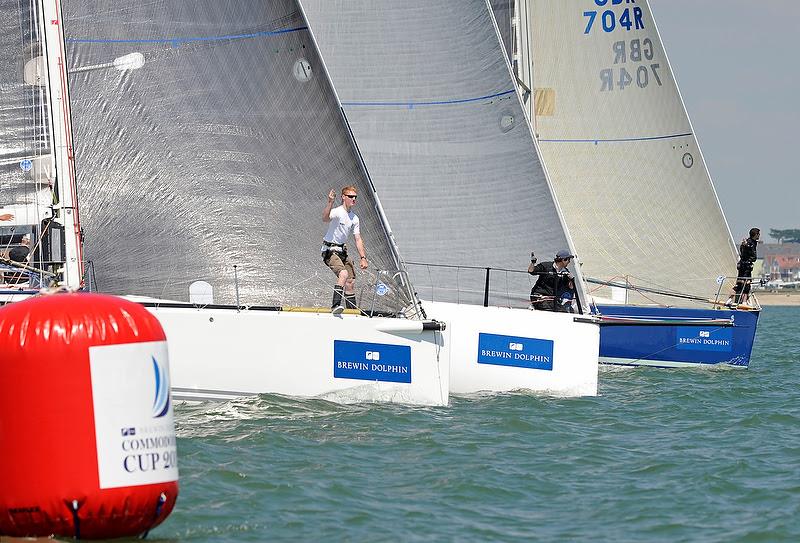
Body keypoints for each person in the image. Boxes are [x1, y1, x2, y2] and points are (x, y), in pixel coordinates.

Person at [322, 185, 368, 314]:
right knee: (343, 274)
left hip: (342, 251)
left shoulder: (354, 218)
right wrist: (330, 202)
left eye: (355, 197)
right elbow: (325, 219)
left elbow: (358, 239)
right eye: (350, 196)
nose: (353, 199)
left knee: (350, 282)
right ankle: (335, 306)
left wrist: (363, 257)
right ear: (343, 197)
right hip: (330, 250)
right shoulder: (337, 212)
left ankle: (352, 312)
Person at [731, 227, 759, 304]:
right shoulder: (750, 242)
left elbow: (743, 249)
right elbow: (748, 249)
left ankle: (730, 300)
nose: (759, 236)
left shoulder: (751, 242)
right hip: (746, 266)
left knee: (739, 285)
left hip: (743, 265)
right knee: (746, 285)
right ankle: (743, 302)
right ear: (755, 234)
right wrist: (746, 245)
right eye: (758, 234)